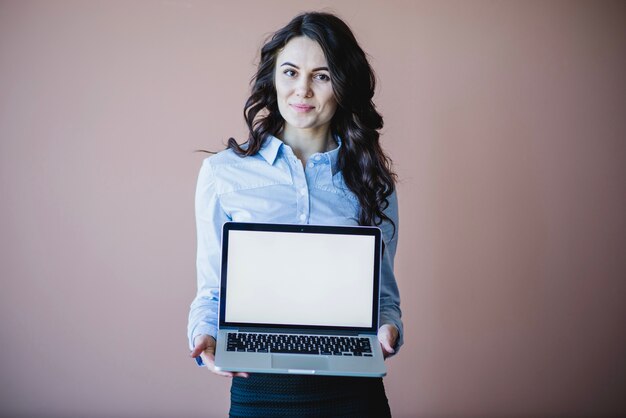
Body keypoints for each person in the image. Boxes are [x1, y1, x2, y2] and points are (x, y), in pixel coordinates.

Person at [188, 12, 403, 417]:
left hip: (353, 393)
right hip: (260, 390)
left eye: (321, 76)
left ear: (343, 85)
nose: (301, 90)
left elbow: (384, 297)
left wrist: (388, 327)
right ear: (273, 78)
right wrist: (205, 337)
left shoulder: (373, 182)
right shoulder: (222, 174)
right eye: (290, 72)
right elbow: (211, 290)